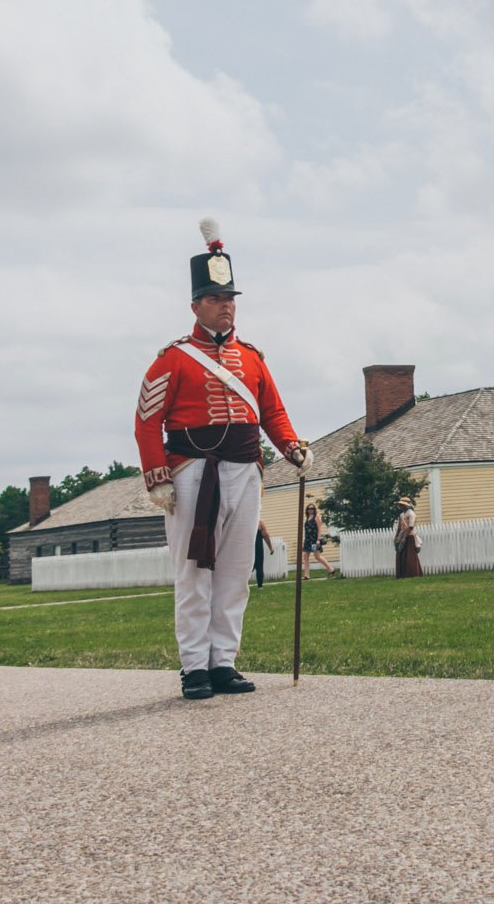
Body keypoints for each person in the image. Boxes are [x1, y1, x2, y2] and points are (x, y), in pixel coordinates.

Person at [134, 219, 309, 701]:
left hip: (245, 470)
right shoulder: (172, 359)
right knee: (194, 575)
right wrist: (157, 477)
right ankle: (194, 668)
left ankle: (223, 662)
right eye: (215, 299)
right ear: (196, 306)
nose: (225, 306)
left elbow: (272, 411)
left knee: (234, 572)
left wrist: (291, 447)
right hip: (192, 474)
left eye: (230, 298)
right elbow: (147, 421)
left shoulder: (251, 358)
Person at [302, 499, 335, 579]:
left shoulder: (316, 517)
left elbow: (319, 528)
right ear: (307, 510)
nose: (310, 510)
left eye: (312, 509)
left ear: (314, 510)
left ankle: (331, 569)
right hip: (308, 540)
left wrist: (318, 540)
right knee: (305, 556)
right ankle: (306, 575)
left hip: (314, 540)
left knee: (317, 556)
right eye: (309, 509)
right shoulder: (307, 518)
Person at [392, 497, 424, 578]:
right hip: (402, 535)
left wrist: (404, 537)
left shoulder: (411, 514)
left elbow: (411, 527)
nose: (400, 506)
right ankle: (402, 574)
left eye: (401, 505)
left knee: (410, 555)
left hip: (409, 536)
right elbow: (399, 527)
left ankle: (412, 573)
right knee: (400, 554)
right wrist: (396, 537)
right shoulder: (401, 515)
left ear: (405, 505)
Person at [252, 519, 274, 588]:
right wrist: (271, 548)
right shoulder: (260, 523)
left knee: (246, 567)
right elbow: (266, 535)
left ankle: (240, 585)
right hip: (257, 548)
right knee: (259, 567)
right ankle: (260, 586)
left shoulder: (245, 523)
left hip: (249, 548)